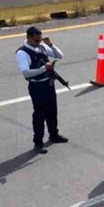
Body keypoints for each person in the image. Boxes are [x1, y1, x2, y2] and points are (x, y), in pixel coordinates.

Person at [15, 26, 68, 154]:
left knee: (52, 111)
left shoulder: (42, 47)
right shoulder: (22, 53)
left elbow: (59, 56)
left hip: (49, 84)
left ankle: (53, 134)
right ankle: (38, 142)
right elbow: (26, 74)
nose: (39, 42)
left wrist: (50, 44)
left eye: (40, 40)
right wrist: (44, 69)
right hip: (37, 87)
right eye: (36, 40)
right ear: (29, 38)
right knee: (39, 115)